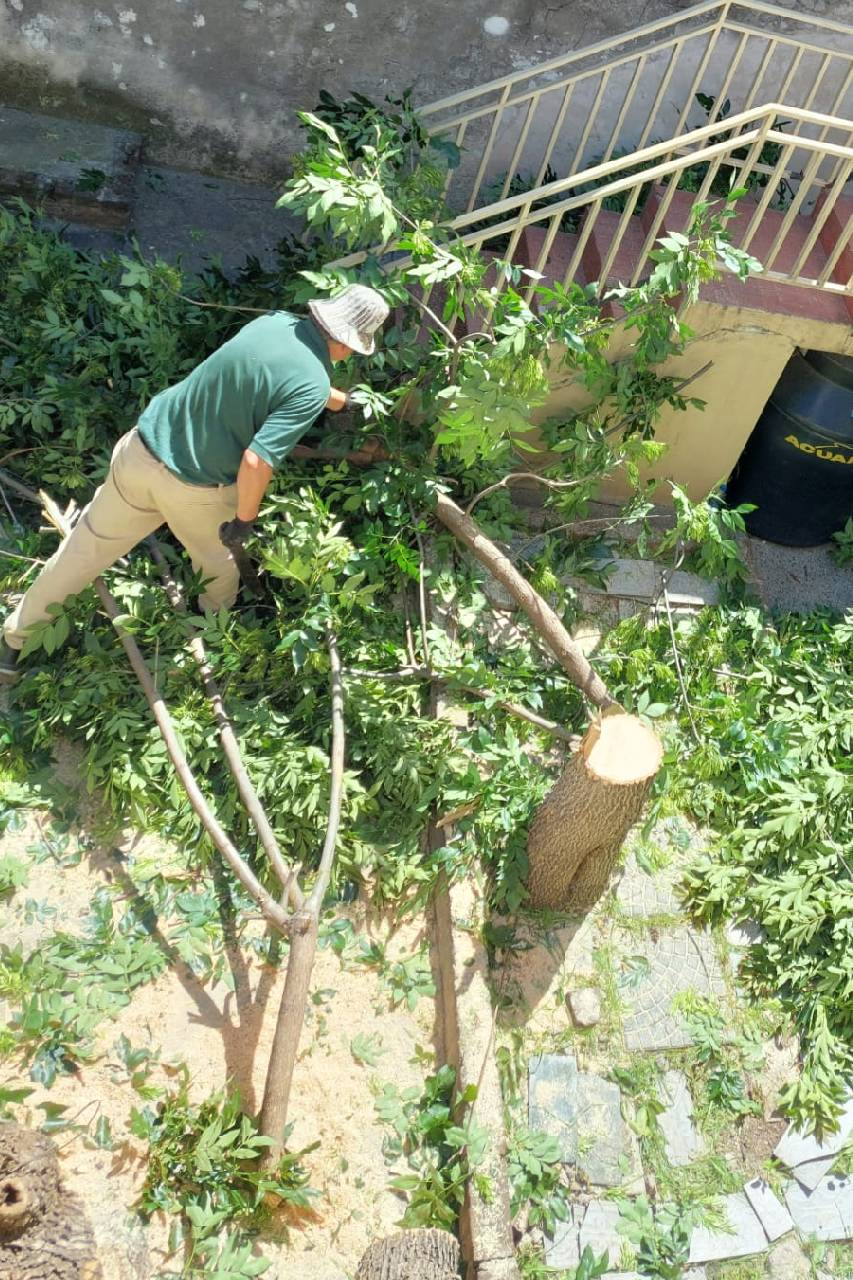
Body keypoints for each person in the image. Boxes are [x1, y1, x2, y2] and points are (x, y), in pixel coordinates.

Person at [0, 284, 389, 685]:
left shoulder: (272, 324)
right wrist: (243, 521)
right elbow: (256, 461)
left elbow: (274, 375)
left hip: (140, 451)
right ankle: (213, 640)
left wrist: (341, 402)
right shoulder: (311, 382)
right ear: (347, 344)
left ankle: (13, 641)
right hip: (195, 491)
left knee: (83, 551)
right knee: (218, 569)